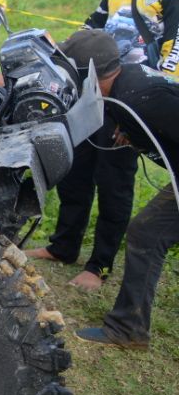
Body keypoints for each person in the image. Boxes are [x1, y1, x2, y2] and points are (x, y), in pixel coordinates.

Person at [69, 31, 179, 349]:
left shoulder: (140, 97)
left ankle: (129, 328)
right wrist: (134, 134)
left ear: (86, 73)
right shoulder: (123, 87)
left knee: (148, 233)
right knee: (147, 233)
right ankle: (129, 326)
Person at [25, 31, 139, 290]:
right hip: (88, 103)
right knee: (74, 175)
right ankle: (64, 247)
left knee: (114, 189)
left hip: (119, 115)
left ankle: (99, 267)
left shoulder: (129, 89)